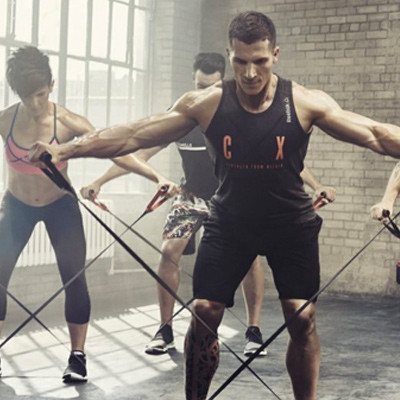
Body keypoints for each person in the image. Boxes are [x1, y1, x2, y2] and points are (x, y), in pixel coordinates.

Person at [28, 10, 400, 400]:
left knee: (302, 319)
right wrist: (64, 148)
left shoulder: (305, 102)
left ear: (275, 54)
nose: (251, 73)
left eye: (260, 61)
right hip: (229, 220)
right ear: (230, 54)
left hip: (290, 223)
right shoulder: (205, 103)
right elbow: (133, 135)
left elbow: (375, 134)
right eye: (241, 61)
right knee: (204, 312)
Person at [80, 53, 336, 358]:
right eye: (200, 85)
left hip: (232, 200)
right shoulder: (185, 116)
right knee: (168, 250)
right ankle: (164, 330)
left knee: (249, 259)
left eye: (212, 86)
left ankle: (253, 330)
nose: (205, 92)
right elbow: (139, 150)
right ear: (193, 80)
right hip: (191, 196)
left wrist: (318, 186)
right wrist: (100, 182)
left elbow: (286, 161)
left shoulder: (235, 115)